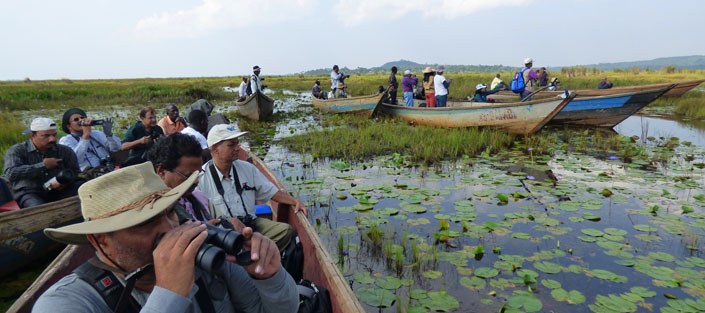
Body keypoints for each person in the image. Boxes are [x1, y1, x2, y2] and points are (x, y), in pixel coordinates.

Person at [34, 162, 299, 313]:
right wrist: (170, 292)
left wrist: (271, 279)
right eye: (145, 223)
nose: (170, 228)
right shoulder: (65, 303)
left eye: (171, 212)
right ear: (101, 241)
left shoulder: (213, 262)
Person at [198, 125, 308, 251]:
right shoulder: (201, 179)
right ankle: (255, 255)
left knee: (285, 231)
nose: (238, 148)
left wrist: (295, 201)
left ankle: (254, 255)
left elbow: (271, 192)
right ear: (215, 149)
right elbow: (203, 221)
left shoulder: (247, 168)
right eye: (231, 145)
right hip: (224, 232)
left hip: (252, 223)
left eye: (238, 144)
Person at [3, 118, 80, 208]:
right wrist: (43, 166)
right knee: (37, 206)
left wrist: (64, 183)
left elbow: (76, 172)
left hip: (61, 190)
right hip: (30, 193)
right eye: (46, 136)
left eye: (54, 135)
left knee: (84, 189)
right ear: (32, 135)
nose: (52, 139)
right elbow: (10, 173)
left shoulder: (64, 150)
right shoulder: (17, 151)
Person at [148, 133, 211, 222]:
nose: (196, 182)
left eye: (198, 174)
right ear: (161, 171)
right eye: (189, 176)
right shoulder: (151, 212)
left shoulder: (200, 197)